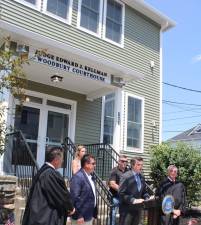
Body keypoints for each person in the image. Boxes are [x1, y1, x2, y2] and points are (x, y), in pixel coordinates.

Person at [22, 146, 75, 225]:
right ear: (56, 160)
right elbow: (61, 195)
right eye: (62, 158)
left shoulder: (43, 171)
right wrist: (70, 208)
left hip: (38, 215)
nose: (63, 161)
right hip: (45, 218)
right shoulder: (50, 174)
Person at [119, 157, 151, 225]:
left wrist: (147, 197)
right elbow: (121, 193)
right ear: (133, 165)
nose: (141, 167)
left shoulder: (141, 176)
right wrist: (133, 200)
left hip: (138, 209)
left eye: (142, 165)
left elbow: (144, 191)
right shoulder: (126, 176)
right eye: (138, 165)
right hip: (127, 210)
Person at [70, 154, 97, 225]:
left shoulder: (90, 177)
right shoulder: (78, 177)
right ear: (86, 164)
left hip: (88, 216)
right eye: (93, 163)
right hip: (80, 218)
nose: (95, 166)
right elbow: (74, 198)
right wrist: (79, 215)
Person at [108, 155, 128, 225]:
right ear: (119, 162)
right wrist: (123, 190)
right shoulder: (114, 171)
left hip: (124, 197)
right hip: (115, 196)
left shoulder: (128, 171)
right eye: (122, 161)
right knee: (113, 214)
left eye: (126, 161)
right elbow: (112, 184)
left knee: (123, 214)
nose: (124, 163)